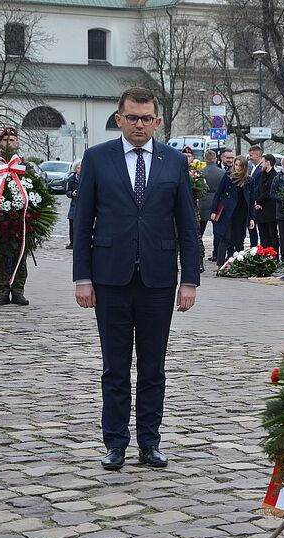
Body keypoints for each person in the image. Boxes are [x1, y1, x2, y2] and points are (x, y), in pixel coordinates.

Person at [73, 86, 200, 471]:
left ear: (157, 121)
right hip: (110, 278)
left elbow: (187, 225)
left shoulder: (173, 162)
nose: (139, 125)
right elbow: (83, 222)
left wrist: (189, 278)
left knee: (153, 368)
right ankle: (115, 443)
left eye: (146, 118)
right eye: (132, 118)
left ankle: (149, 442)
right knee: (114, 368)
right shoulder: (98, 158)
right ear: (119, 119)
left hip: (158, 281)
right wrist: (82, 277)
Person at [0, 126, 31, 306]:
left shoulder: (22, 164)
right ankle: (2, 291)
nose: (9, 143)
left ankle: (18, 291)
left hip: (19, 219)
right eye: (5, 140)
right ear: (0, 142)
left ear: (17, 142)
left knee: (20, 256)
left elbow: (32, 187)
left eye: (12, 140)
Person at [211, 156, 256, 265]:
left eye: (240, 165)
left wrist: (252, 218)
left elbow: (251, 201)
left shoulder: (249, 180)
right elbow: (218, 193)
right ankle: (220, 265)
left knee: (240, 239)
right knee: (225, 238)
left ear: (245, 167)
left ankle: (239, 265)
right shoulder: (228, 177)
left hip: (242, 213)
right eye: (236, 165)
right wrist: (213, 210)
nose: (238, 168)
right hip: (228, 212)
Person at [201, 150, 226, 263]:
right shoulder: (222, 173)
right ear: (216, 159)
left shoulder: (200, 172)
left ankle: (198, 253)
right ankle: (216, 254)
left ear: (205, 159)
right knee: (217, 231)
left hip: (203, 202)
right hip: (217, 203)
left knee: (200, 231)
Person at [254, 154, 279, 252]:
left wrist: (258, 201)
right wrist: (256, 202)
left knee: (272, 235)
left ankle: (274, 255)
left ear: (268, 163)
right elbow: (257, 189)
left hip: (270, 211)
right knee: (263, 235)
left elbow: (269, 192)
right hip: (260, 211)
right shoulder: (261, 175)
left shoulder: (275, 176)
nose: (261, 165)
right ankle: (264, 254)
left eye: (263, 162)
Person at [64, 160, 81, 249]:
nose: (80, 170)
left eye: (81, 168)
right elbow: (67, 192)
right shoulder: (71, 179)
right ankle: (72, 242)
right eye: (78, 168)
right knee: (72, 223)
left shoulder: (87, 178)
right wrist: (72, 193)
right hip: (74, 204)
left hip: (83, 204)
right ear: (75, 169)